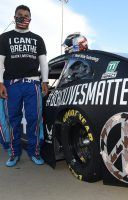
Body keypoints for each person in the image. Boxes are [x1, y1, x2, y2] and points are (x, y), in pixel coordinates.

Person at [0, 5, 49, 167]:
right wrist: (0, 82)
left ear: (30, 18)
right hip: (11, 84)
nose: (23, 17)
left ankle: (34, 152)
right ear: (14, 17)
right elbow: (0, 63)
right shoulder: (4, 38)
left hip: (32, 84)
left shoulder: (37, 39)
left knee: (34, 119)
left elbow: (43, 62)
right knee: (12, 120)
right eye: (19, 15)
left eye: (26, 15)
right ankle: (14, 153)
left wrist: (45, 81)